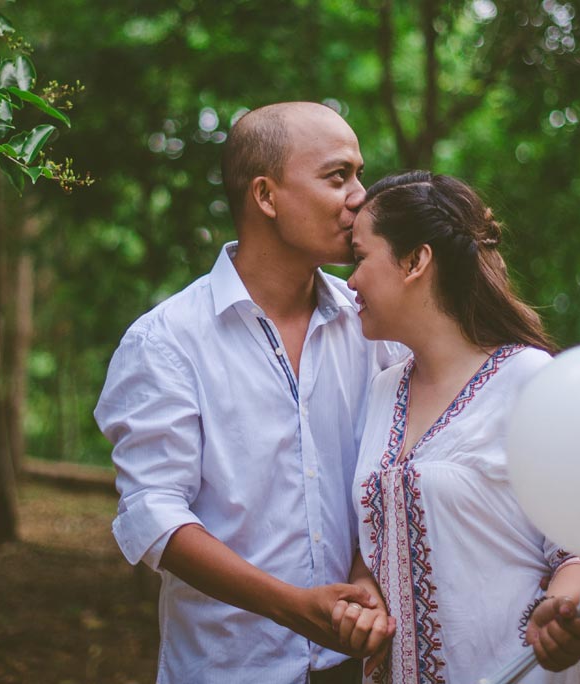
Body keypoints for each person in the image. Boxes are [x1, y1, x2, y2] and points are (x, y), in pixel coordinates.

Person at [94, 102, 399, 683]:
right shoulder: (166, 342)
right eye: (339, 177)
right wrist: (292, 605)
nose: (361, 196)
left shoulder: (375, 328)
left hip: (363, 668)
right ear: (266, 195)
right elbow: (155, 515)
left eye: (360, 174)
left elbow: (389, 471)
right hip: (230, 668)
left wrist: (366, 572)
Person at [334, 171, 580, 683]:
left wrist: (562, 614)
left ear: (415, 261)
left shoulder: (529, 379)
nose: (350, 281)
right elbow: (379, 536)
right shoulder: (383, 390)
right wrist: (363, 588)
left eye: (361, 258)